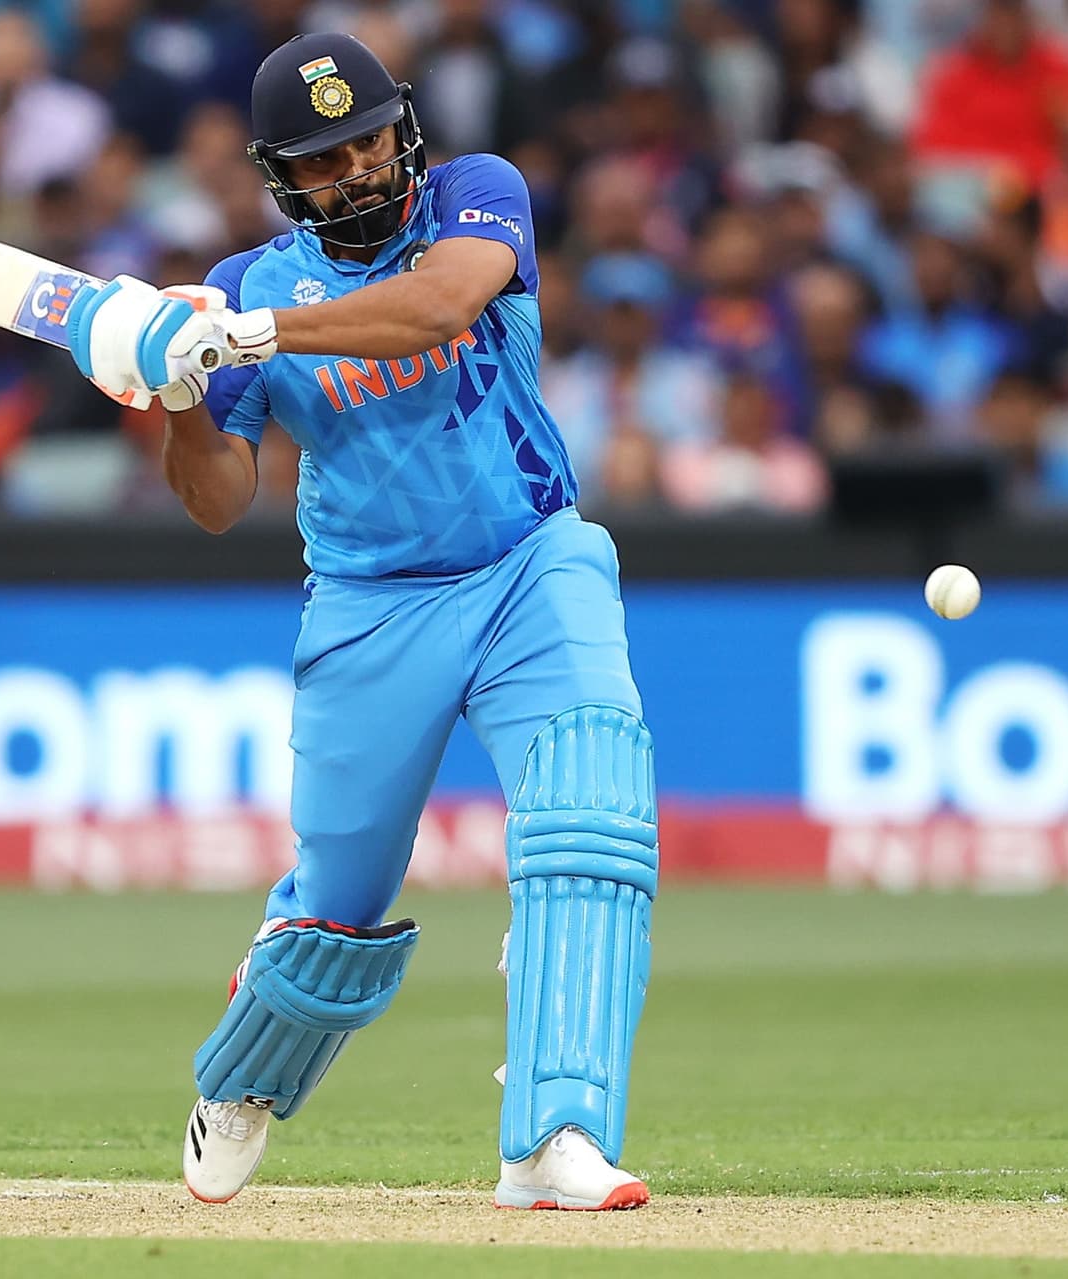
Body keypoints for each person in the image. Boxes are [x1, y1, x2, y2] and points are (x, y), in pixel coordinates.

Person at [65, 32, 655, 1212]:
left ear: (406, 131)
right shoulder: (245, 284)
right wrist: (179, 389)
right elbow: (218, 500)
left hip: (532, 562)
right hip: (372, 605)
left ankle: (556, 1135)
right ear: (283, 178)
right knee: (337, 904)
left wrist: (251, 336)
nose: (360, 171)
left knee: (591, 821)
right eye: (325, 161)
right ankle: (243, 1070)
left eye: (372, 142)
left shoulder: (476, 195)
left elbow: (437, 308)